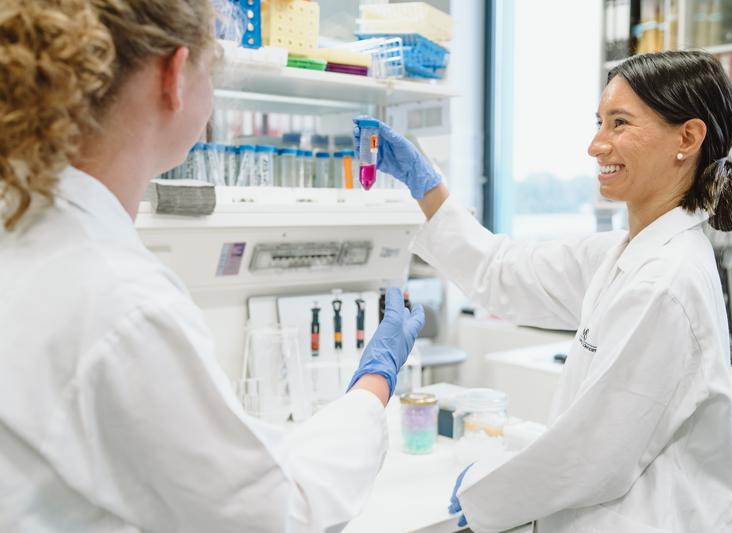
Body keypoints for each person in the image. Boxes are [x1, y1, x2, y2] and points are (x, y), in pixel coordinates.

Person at [0, 1, 424, 532]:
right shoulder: (120, 300)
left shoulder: (26, 226)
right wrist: (374, 383)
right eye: (213, 68)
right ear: (175, 76)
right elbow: (275, 516)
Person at [354, 50, 732, 533]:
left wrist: (486, 493)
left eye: (620, 123)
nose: (596, 145)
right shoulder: (626, 254)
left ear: (688, 136)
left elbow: (592, 454)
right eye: (599, 122)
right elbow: (505, 271)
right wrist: (428, 189)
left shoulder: (667, 281)